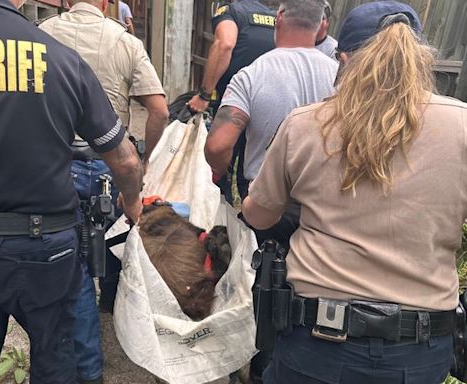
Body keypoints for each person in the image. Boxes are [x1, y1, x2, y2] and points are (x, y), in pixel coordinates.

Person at [242, 1, 466, 383]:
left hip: (316, 343)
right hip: (420, 348)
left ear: (342, 58)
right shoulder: (462, 125)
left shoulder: (305, 124)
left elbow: (259, 215)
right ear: (420, 58)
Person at [0, 0, 143, 383]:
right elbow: (124, 160)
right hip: (46, 245)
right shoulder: (61, 58)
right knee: (55, 357)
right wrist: (133, 200)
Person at [39, 1, 167, 383]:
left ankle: (83, 359)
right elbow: (158, 110)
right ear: (108, 3)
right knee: (118, 235)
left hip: (59, 161)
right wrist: (146, 159)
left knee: (73, 259)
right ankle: (114, 306)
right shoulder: (125, 42)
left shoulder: (43, 33)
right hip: (112, 161)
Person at [205, 0, 337, 249]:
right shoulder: (342, 77)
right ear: (321, 25)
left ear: (279, 18)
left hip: (264, 205)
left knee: (259, 277)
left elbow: (217, 146)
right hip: (322, 206)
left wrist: (220, 171)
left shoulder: (251, 75)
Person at [188, 0, 276, 203]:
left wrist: (203, 95)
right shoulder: (273, 19)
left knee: (218, 158)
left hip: (235, 104)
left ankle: (216, 204)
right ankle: (248, 217)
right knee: (253, 170)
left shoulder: (230, 12)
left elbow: (225, 44)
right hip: (267, 106)